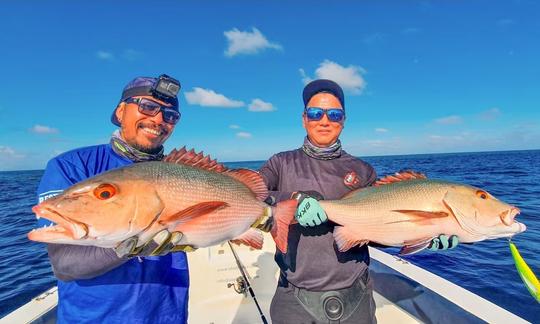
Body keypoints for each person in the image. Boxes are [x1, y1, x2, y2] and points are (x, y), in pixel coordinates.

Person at [258, 79, 458, 323]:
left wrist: (422, 236)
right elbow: (254, 195)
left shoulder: (363, 170)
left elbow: (376, 231)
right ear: (304, 119)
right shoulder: (281, 163)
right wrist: (293, 200)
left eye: (334, 114)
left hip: (356, 295)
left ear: (343, 121)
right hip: (294, 296)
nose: (324, 120)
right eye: (315, 113)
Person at [36, 74, 189, 323]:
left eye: (170, 115)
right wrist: (132, 245)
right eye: (147, 107)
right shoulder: (71, 167)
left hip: (170, 315)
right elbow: (65, 264)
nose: (159, 119)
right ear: (120, 112)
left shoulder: (180, 174)